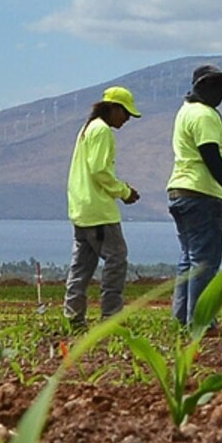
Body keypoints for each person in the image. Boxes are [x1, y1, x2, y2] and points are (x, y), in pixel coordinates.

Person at [168, 62, 222, 324]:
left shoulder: (186, 112)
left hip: (181, 193)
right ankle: (202, 323)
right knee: (204, 264)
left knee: (189, 262)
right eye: (217, 86)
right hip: (201, 195)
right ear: (201, 86)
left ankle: (182, 320)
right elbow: (210, 156)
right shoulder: (204, 114)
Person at [64, 85, 145, 329]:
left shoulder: (87, 128)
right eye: (126, 113)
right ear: (113, 108)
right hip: (99, 211)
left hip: (81, 209)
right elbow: (99, 169)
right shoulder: (102, 131)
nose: (127, 119)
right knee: (116, 259)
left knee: (81, 265)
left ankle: (73, 318)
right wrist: (124, 191)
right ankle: (111, 317)